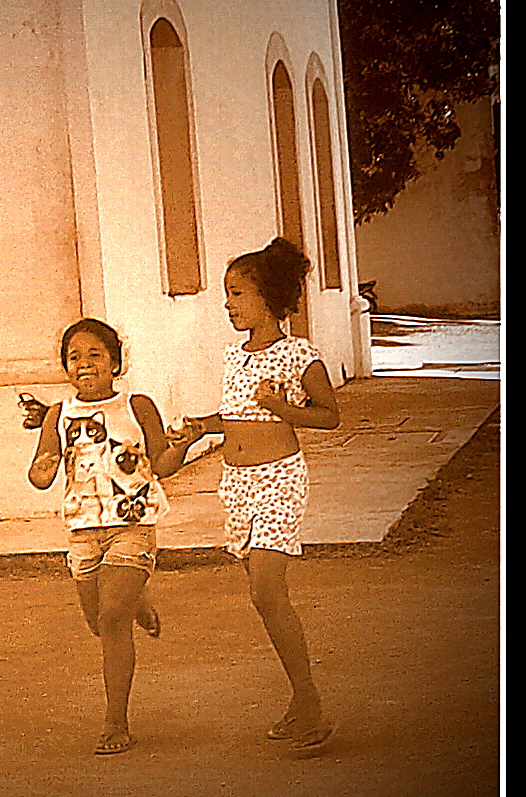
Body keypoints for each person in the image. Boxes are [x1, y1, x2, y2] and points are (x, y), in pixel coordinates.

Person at [172, 238, 340, 757]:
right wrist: (200, 427)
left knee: (268, 593)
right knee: (263, 600)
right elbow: (237, 417)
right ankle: (301, 699)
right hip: (236, 484)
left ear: (268, 297)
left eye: (237, 293)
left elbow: (330, 416)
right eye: (227, 295)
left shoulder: (299, 355)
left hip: (278, 479)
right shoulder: (232, 357)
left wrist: (283, 408)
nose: (229, 304)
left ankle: (309, 702)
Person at [25, 318, 191, 755]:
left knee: (111, 618)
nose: (84, 365)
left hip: (132, 527)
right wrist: (40, 470)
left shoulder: (137, 407)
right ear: (64, 367)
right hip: (82, 533)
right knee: (96, 618)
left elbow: (164, 462)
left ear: (115, 363)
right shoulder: (58, 416)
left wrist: (183, 444)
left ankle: (115, 720)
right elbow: (42, 468)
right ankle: (137, 599)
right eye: (74, 357)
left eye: (95, 355)